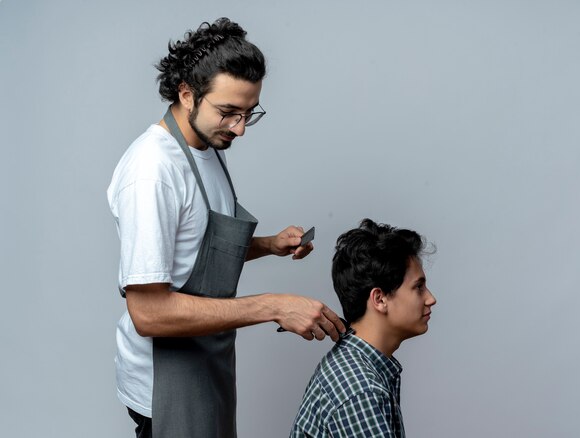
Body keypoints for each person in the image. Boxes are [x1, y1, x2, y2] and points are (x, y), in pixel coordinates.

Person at [107, 18, 345, 438]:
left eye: (248, 114)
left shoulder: (208, 148)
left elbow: (194, 247)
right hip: (165, 384)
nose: (238, 128)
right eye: (228, 112)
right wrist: (273, 306)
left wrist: (269, 245)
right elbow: (148, 312)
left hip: (209, 361)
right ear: (186, 94)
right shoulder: (153, 170)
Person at [290, 219, 437, 437]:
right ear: (379, 299)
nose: (431, 299)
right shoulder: (360, 390)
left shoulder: (355, 366)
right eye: (418, 287)